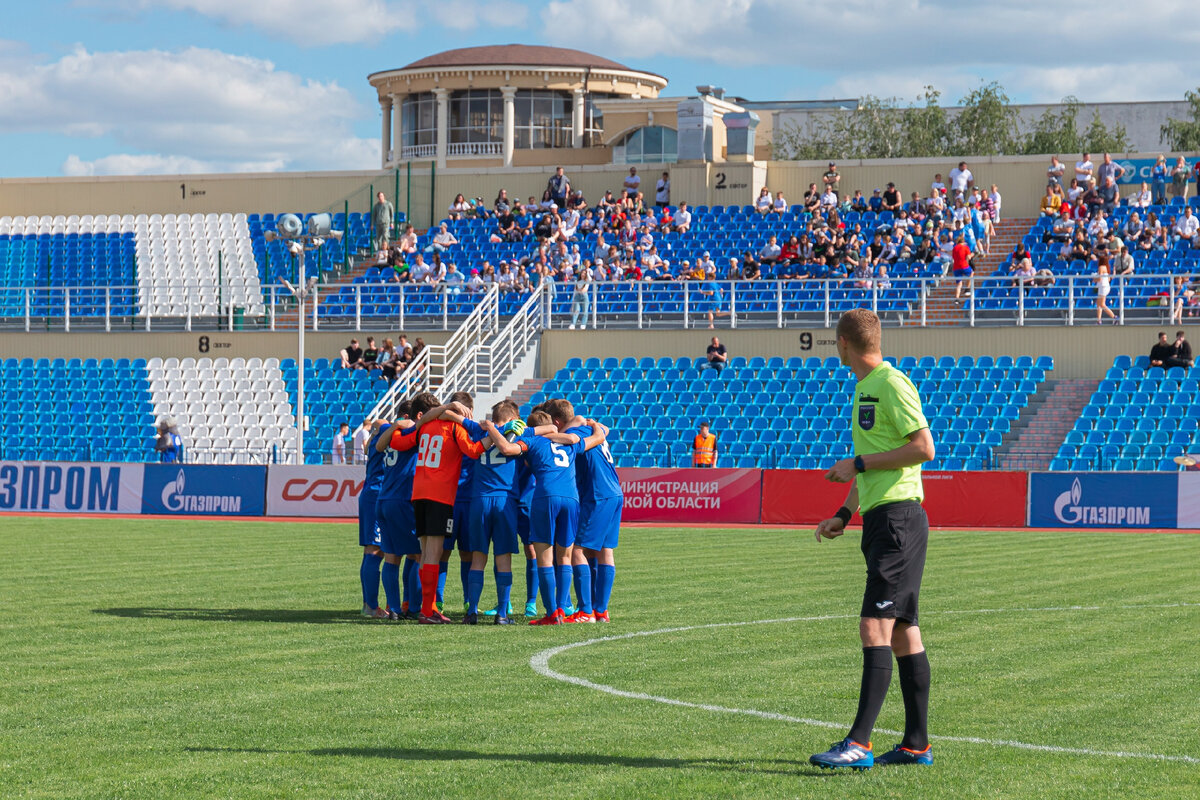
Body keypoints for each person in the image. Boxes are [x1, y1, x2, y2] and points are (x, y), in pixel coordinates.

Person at [809, 308, 936, 771]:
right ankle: (916, 745)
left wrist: (857, 465)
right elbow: (872, 459)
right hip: (885, 519)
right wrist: (845, 512)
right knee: (903, 634)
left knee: (874, 627)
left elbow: (924, 447)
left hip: (899, 521)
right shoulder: (866, 387)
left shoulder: (889, 383)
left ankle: (858, 743)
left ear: (843, 343)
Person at [385, 392, 486, 624]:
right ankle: (428, 611)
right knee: (434, 553)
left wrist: (396, 427)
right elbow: (472, 450)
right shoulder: (452, 428)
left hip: (418, 494)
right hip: (440, 496)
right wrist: (492, 439)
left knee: (425, 552)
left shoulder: (424, 427)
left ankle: (427, 608)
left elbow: (398, 442)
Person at [566, 411, 622, 623]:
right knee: (603, 551)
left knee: (577, 549)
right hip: (614, 492)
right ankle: (601, 611)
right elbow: (605, 430)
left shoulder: (575, 434)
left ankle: (586, 611)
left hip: (598, 494)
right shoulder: (592, 428)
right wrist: (592, 422)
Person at [373, 402, 421, 620]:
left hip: (384, 499)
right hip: (402, 499)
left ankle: (393, 608)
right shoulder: (410, 432)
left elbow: (377, 425)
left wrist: (394, 425)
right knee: (418, 554)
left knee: (392, 557)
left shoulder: (389, 431)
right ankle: (412, 607)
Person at [357, 419, 389, 620]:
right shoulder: (386, 434)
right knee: (375, 550)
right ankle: (370, 605)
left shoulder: (377, 437)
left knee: (374, 550)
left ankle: (368, 603)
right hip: (377, 495)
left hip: (374, 494)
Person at [1094, 256, 1116, 324]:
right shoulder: (1107, 268)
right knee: (1098, 303)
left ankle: (1114, 317)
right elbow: (1108, 279)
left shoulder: (1101, 267)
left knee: (1102, 304)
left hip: (1103, 287)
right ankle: (1099, 320)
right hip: (1105, 287)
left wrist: (1094, 279)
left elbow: (1100, 279)